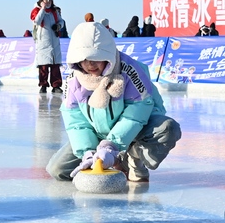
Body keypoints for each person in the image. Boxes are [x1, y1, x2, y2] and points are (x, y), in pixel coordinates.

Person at [46, 22, 182, 183]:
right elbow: (76, 122)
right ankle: (109, 158)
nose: (90, 64)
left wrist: (110, 146)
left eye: (96, 57)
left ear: (108, 54)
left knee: (168, 129)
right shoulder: (74, 80)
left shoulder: (129, 70)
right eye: (84, 59)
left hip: (137, 130)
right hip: (98, 133)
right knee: (58, 170)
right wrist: (88, 152)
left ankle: (133, 156)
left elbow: (136, 116)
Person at [30, 0, 65, 94]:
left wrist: (58, 25)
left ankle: (56, 85)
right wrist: (43, 9)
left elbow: (61, 21)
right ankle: (43, 85)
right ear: (41, 1)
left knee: (55, 66)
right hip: (43, 43)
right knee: (43, 66)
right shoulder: (37, 11)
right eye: (46, 0)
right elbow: (37, 21)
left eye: (49, 0)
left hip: (54, 41)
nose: (48, 2)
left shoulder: (54, 11)